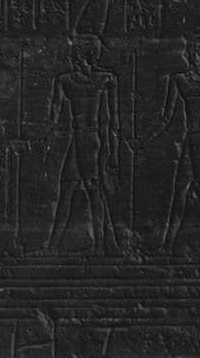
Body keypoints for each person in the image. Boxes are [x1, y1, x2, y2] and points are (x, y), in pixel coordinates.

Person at [144, 35, 200, 255]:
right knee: (181, 194)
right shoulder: (180, 80)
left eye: (188, 51)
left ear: (195, 53)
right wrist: (145, 139)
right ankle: (168, 245)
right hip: (191, 141)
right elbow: (166, 118)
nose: (184, 54)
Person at [43, 35, 121, 256]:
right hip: (78, 140)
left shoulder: (105, 79)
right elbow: (54, 115)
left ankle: (102, 245)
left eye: (78, 53)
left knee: (93, 190)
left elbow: (113, 121)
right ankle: (53, 247)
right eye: (74, 53)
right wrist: (41, 135)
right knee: (67, 190)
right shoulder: (65, 80)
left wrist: (113, 151)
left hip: (90, 142)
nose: (74, 57)